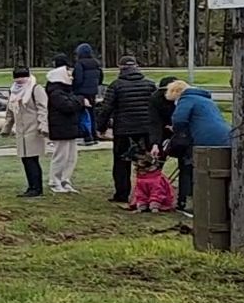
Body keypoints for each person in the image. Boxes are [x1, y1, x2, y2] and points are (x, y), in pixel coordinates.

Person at [95, 55, 158, 205]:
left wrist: (100, 128)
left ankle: (122, 194)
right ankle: (150, 194)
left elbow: (106, 109)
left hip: (123, 130)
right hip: (145, 129)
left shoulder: (116, 85)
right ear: (136, 66)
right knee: (147, 162)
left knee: (121, 164)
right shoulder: (149, 85)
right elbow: (155, 108)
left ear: (120, 67)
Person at [166, 79, 232, 213]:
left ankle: (192, 204)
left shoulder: (186, 99)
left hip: (204, 139)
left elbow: (179, 119)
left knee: (193, 168)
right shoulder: (206, 100)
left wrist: (178, 133)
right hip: (224, 137)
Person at [6, 65, 49, 198]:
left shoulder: (36, 89)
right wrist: (6, 128)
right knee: (25, 159)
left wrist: (43, 126)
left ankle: (37, 188)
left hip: (34, 129)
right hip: (21, 131)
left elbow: (43, 108)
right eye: (17, 79)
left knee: (32, 159)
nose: (20, 81)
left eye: (22, 78)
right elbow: (10, 110)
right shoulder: (13, 92)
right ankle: (31, 186)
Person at [44, 63, 83, 194]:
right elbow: (67, 106)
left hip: (69, 128)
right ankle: (55, 181)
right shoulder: (55, 92)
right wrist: (81, 101)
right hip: (60, 128)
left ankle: (65, 180)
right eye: (69, 75)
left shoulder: (66, 91)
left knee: (71, 157)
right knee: (61, 156)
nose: (71, 78)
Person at [73, 43, 103, 145]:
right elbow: (100, 78)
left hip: (81, 93)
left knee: (83, 115)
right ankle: (94, 135)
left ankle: (87, 136)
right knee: (92, 114)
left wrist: (74, 88)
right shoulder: (96, 63)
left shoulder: (79, 64)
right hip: (93, 92)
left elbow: (78, 79)